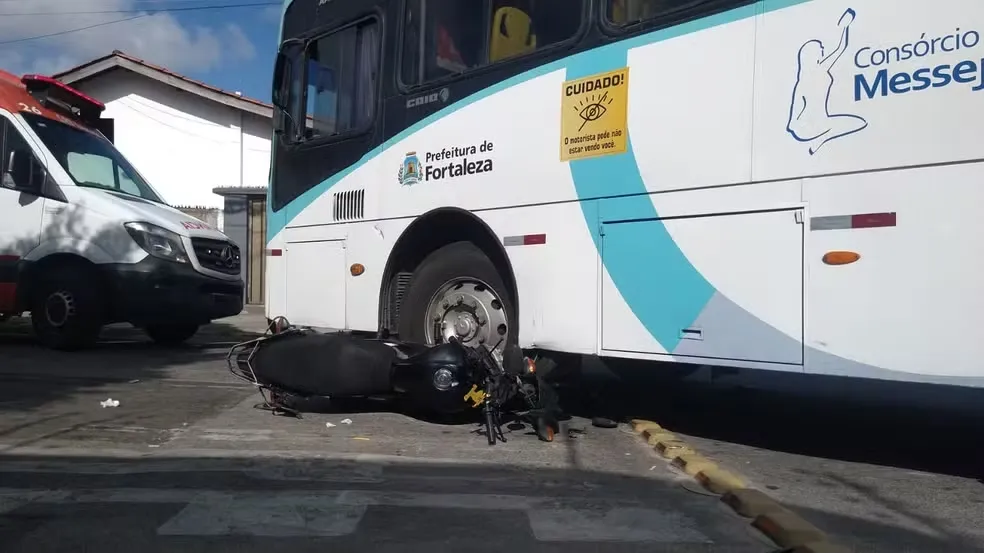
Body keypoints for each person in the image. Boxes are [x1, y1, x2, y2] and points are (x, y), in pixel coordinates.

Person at [786, 8, 867, 155]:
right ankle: (821, 138)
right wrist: (796, 125)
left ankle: (822, 139)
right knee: (853, 123)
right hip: (806, 127)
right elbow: (794, 116)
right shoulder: (802, 83)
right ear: (811, 54)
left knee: (859, 122)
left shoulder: (822, 68)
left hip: (822, 121)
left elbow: (841, 48)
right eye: (820, 47)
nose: (823, 49)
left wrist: (845, 26)